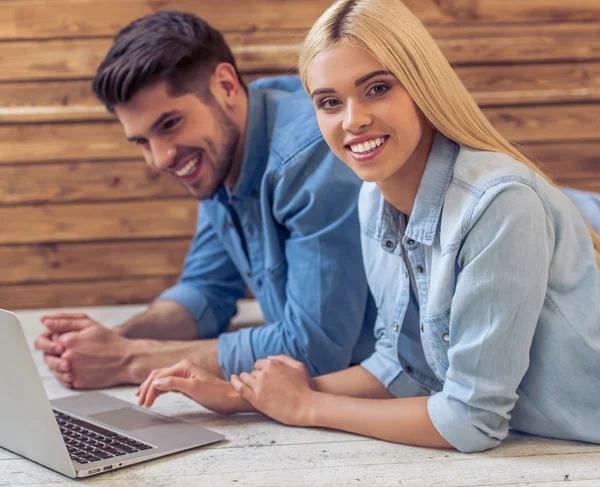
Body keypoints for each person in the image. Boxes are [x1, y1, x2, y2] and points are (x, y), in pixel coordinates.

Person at [136, 0, 600, 453]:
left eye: (377, 88)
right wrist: (244, 395)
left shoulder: (499, 203)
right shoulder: (372, 198)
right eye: (330, 102)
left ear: (422, 84)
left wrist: (309, 407)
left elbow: (472, 420)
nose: (353, 120)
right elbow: (403, 369)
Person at [34, 10, 377, 390]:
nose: (160, 158)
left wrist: (130, 360)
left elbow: (316, 349)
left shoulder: (309, 156)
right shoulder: (221, 152)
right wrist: (111, 340)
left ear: (226, 86)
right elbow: (207, 290)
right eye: (143, 141)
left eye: (170, 124)